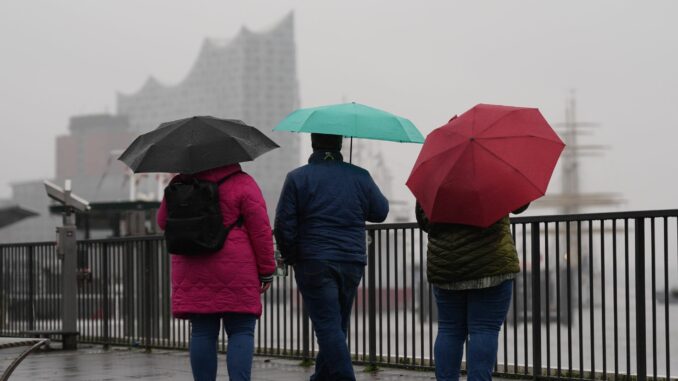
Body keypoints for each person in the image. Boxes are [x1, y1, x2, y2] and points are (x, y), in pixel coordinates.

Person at [274, 133, 389, 381]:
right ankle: (321, 377)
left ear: (314, 144)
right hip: (351, 260)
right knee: (336, 325)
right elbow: (380, 212)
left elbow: (284, 224)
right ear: (340, 145)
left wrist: (293, 257)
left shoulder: (297, 178)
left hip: (313, 259)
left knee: (327, 325)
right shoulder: (360, 175)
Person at [157, 163, 276, 381]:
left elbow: (163, 221)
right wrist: (267, 269)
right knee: (241, 330)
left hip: (194, 267)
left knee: (202, 331)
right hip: (237, 268)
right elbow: (261, 230)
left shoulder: (181, 183)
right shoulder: (243, 182)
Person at [416, 202, 529, 381]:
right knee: (484, 330)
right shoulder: (494, 173)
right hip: (490, 266)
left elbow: (425, 222)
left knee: (449, 330)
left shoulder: (436, 177)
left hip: (447, 268)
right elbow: (519, 205)